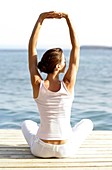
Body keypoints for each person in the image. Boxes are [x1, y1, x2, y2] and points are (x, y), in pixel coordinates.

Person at [21, 11, 93, 158]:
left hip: (41, 150)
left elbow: (32, 49)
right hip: (66, 149)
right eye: (64, 61)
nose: (66, 63)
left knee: (26, 123)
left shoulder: (37, 83)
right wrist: (68, 18)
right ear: (59, 67)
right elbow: (76, 48)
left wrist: (41, 18)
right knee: (87, 123)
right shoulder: (68, 84)